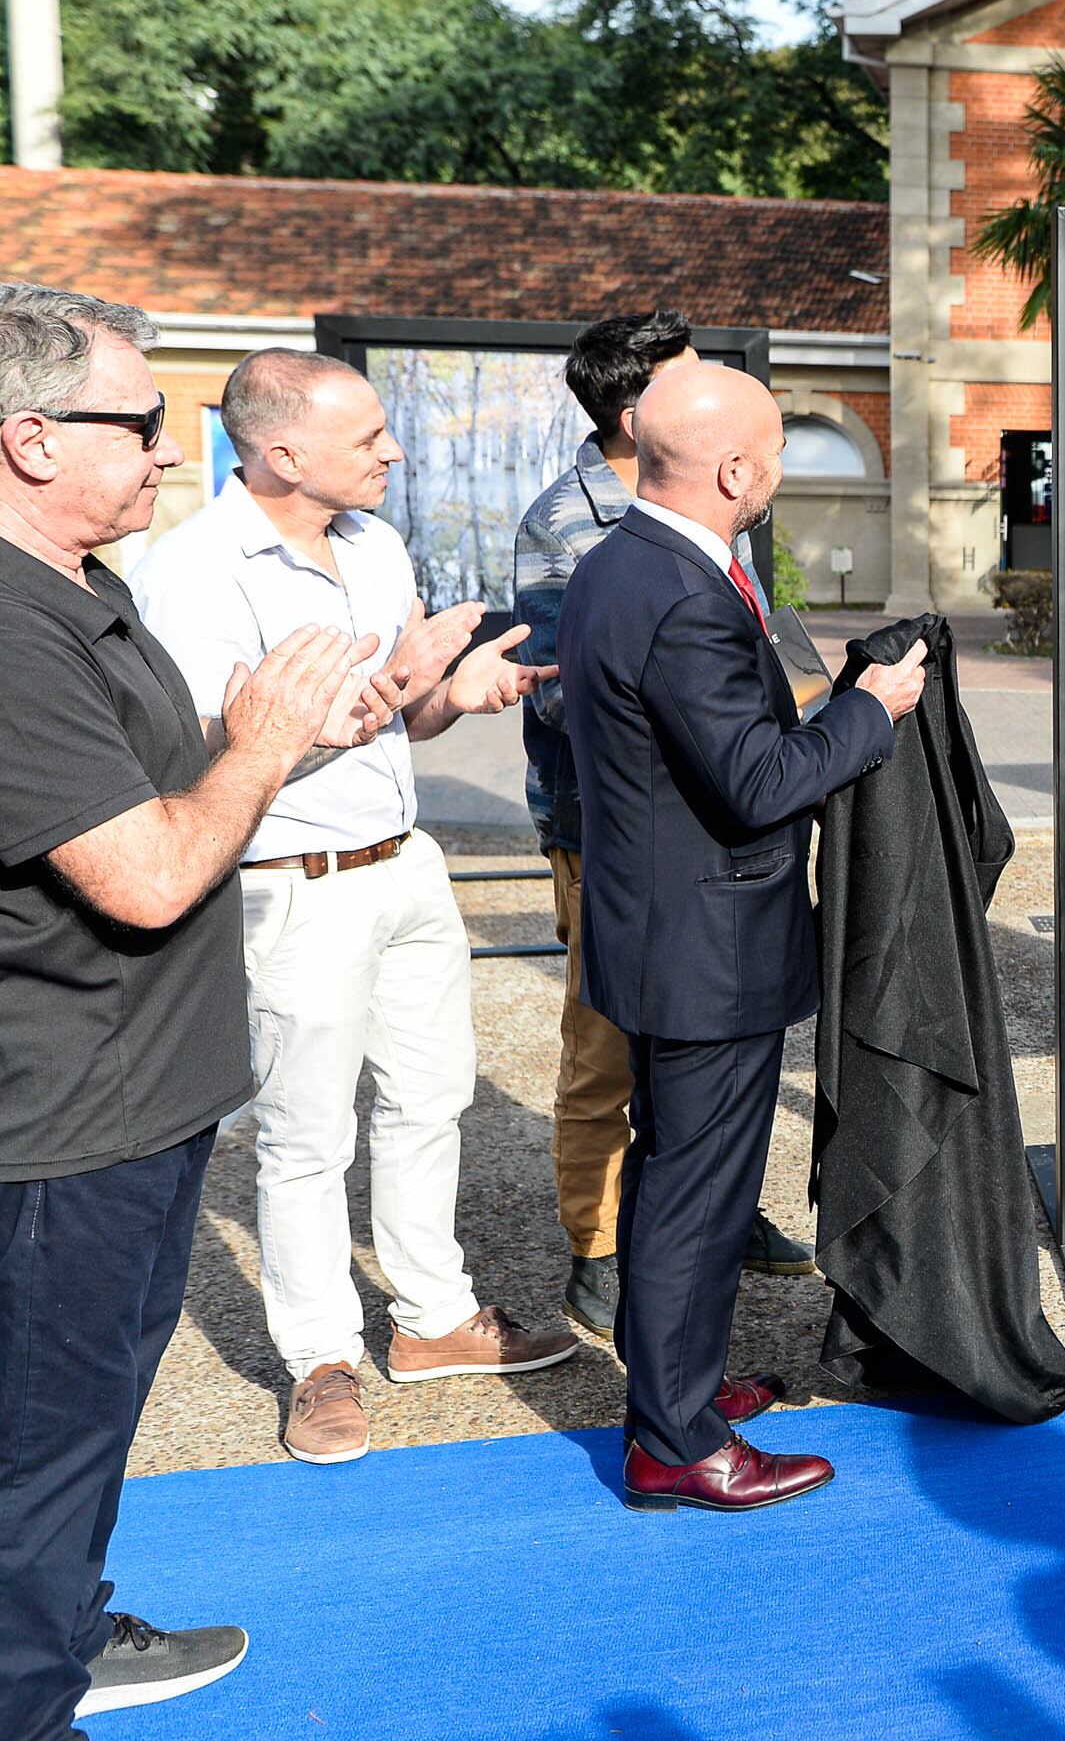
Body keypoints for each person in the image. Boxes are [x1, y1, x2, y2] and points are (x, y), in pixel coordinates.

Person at [0, 285, 383, 1727]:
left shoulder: (84, 587)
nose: (174, 451)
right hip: (64, 1137)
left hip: (140, 1110)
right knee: (38, 1457)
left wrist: (268, 740)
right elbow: (151, 874)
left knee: (80, 1443)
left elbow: (152, 793)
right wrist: (263, 744)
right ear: (30, 440)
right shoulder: (11, 627)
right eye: (145, 422)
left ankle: (66, 1634)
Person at [130, 350, 575, 1470]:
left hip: (404, 864)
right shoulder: (191, 571)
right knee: (305, 1135)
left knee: (433, 1098)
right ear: (282, 453)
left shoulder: (376, 544)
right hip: (294, 884)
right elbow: (215, 751)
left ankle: (431, 1320)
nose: (394, 450)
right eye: (370, 435)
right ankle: (318, 1357)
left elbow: (401, 719)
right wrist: (385, 695)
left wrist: (446, 694)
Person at [558, 359, 926, 1511]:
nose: (773, 473)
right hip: (705, 945)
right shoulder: (680, 590)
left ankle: (687, 1388)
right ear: (733, 468)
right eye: (771, 453)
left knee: (685, 1175)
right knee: (696, 1190)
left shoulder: (626, 558)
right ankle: (674, 1439)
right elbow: (759, 780)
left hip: (665, 923)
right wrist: (875, 711)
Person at [511, 311, 814, 1343]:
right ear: (639, 413)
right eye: (686, 382)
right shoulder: (575, 526)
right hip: (615, 827)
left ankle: (694, 1242)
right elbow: (570, 695)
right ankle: (603, 1252)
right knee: (608, 1049)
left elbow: (758, 648)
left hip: (691, 830)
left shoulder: (691, 520)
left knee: (689, 1108)